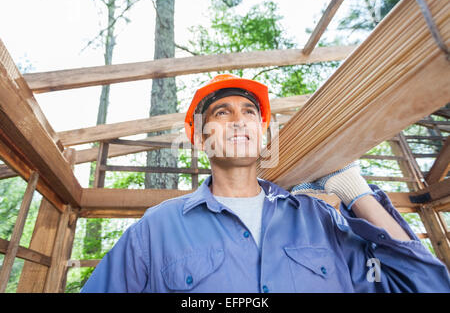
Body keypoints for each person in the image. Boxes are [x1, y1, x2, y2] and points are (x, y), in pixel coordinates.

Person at [81, 74, 450, 293]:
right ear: (199, 138)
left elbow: (423, 283)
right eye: (222, 113)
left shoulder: (319, 222)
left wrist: (355, 190)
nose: (239, 121)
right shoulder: (156, 230)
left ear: (262, 133)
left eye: (250, 113)